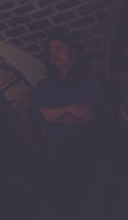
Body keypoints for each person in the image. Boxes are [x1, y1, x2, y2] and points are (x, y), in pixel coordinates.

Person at [32, 32, 102, 219]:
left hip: (86, 160)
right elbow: (38, 118)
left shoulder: (92, 80)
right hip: (54, 159)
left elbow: (90, 116)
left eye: (59, 49)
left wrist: (53, 114)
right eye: (50, 51)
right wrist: (71, 108)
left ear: (72, 51)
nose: (54, 54)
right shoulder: (45, 86)